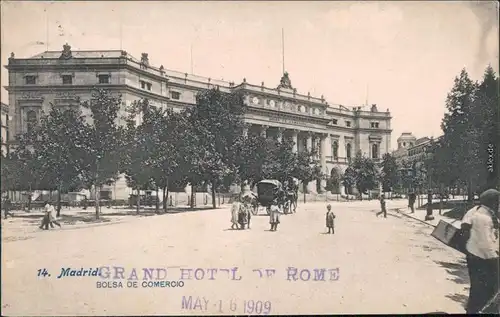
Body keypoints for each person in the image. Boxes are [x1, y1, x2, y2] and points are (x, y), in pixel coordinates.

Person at [461, 188, 499, 314]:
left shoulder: (476, 210)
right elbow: (486, 244)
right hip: (482, 257)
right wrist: (495, 260)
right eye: (497, 202)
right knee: (485, 290)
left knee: (477, 289)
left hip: (473, 254)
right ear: (492, 202)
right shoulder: (484, 218)